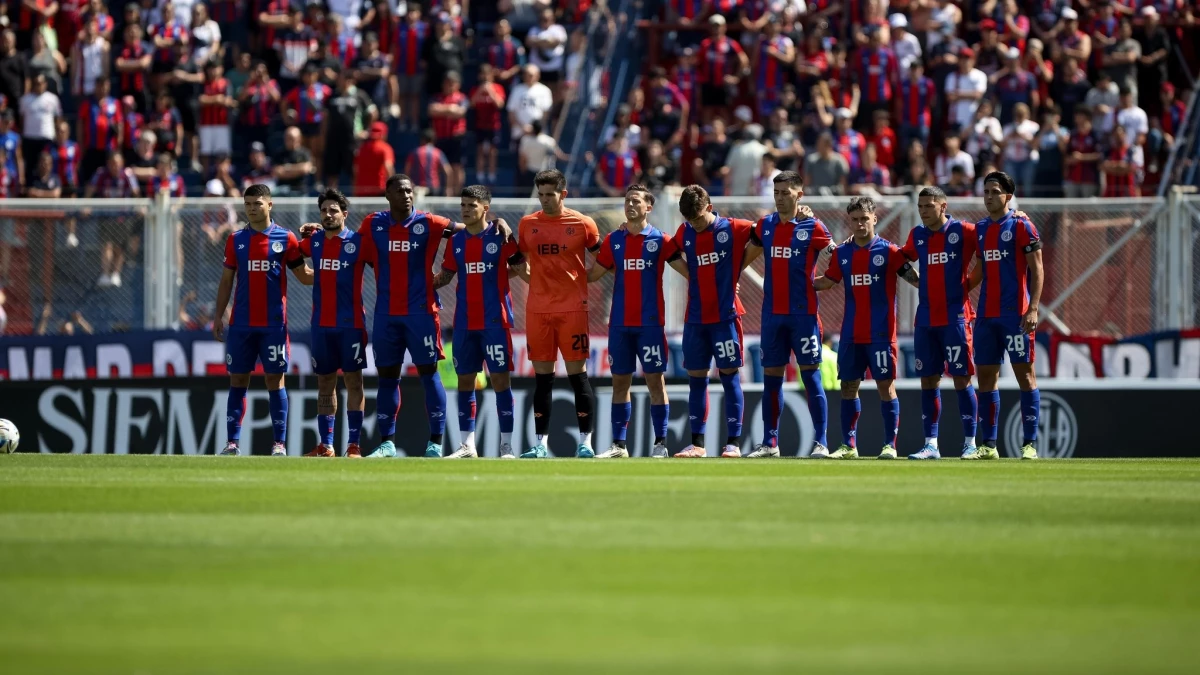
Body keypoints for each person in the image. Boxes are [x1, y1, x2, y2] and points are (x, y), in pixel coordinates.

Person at [355, 175, 507, 458]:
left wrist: (498, 222)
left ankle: (435, 443)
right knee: (388, 377)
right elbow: (350, 246)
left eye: (410, 190)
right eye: (400, 191)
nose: (407, 195)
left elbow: (471, 228)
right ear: (387, 195)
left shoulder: (430, 223)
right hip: (386, 314)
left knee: (429, 374)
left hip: (422, 313)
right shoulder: (373, 223)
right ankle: (387, 443)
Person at [813, 197, 920, 459]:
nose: (860, 224)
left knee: (886, 386)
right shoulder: (842, 253)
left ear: (874, 218)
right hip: (851, 333)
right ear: (849, 221)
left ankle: (889, 445)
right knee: (849, 387)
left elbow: (916, 280)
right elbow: (828, 281)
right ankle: (849, 446)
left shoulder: (890, 251)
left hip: (881, 333)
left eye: (864, 218)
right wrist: (796, 282)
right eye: (855, 219)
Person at [212, 184, 315, 456]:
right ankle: (232, 443)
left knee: (275, 381)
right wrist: (218, 315)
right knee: (238, 381)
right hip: (241, 325)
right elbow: (226, 281)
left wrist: (332, 266)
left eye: (257, 203)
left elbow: (304, 276)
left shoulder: (286, 238)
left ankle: (279, 444)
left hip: (273, 326)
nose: (252, 208)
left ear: (270, 205)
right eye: (247, 204)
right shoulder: (236, 239)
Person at [586, 184, 686, 459]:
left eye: (636, 201)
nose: (630, 205)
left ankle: (661, 444)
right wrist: (560, 274)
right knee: (620, 383)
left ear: (648, 208)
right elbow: (594, 274)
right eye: (627, 200)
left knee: (656, 382)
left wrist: (721, 284)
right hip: (619, 324)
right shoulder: (613, 240)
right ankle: (619, 445)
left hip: (650, 324)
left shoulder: (661, 240)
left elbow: (687, 271)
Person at [431, 185, 527, 459]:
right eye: (463, 205)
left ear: (485, 208)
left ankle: (506, 445)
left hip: (495, 320)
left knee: (499, 380)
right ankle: (467, 445)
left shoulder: (500, 235)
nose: (465, 209)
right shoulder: (456, 241)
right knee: (465, 381)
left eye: (471, 205)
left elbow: (521, 268)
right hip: (464, 321)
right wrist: (418, 284)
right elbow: (446, 277)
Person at [744, 171, 833, 459]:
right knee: (772, 379)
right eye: (777, 193)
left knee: (811, 378)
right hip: (772, 316)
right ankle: (770, 443)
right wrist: (730, 276)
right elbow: (745, 254)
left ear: (799, 195)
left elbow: (840, 257)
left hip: (804, 316)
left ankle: (821, 442)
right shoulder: (766, 225)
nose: (780, 198)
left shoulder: (813, 226)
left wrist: (827, 281)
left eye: (786, 192)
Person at [513, 170, 600, 458]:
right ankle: (540, 444)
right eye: (541, 194)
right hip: (538, 311)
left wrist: (583, 281)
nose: (544, 200)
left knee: (578, 377)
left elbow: (606, 259)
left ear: (563, 194)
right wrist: (535, 283)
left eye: (550, 194)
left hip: (573, 309)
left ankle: (586, 443)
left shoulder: (582, 223)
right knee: (543, 380)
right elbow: (518, 262)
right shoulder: (528, 224)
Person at [669, 185, 758, 459]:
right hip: (695, 319)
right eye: (689, 220)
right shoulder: (685, 232)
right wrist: (691, 275)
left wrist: (735, 269)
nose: (693, 225)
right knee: (696, 379)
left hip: (726, 317)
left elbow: (763, 234)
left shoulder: (732, 228)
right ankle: (697, 444)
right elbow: (669, 252)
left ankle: (733, 443)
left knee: (729, 376)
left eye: (697, 218)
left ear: (708, 206)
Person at [967, 171, 1044, 460]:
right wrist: (958, 292)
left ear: (1008, 196)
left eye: (995, 191)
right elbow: (980, 271)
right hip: (987, 314)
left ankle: (1030, 444)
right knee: (986, 377)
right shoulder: (981, 229)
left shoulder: (1022, 225)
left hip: (1016, 315)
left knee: (1025, 374)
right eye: (985, 192)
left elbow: (1037, 269)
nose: (989, 197)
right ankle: (988, 445)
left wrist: (1033, 307)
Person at [903, 187, 980, 460]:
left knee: (961, 378)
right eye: (920, 207)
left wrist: (968, 284)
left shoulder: (964, 231)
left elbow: (988, 247)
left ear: (943, 206)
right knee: (928, 380)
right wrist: (917, 281)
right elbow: (901, 259)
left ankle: (970, 443)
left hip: (956, 318)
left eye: (928, 206)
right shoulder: (918, 235)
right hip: (925, 319)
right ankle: (931, 444)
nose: (923, 211)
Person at [296, 189, 369, 458]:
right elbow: (294, 253)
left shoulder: (358, 242)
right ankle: (326, 445)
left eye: (333, 210)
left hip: (351, 325)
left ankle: (354, 445)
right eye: (324, 211)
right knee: (325, 383)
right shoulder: (314, 241)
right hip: (321, 325)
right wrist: (304, 231)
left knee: (353, 382)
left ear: (344, 214)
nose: (328, 215)